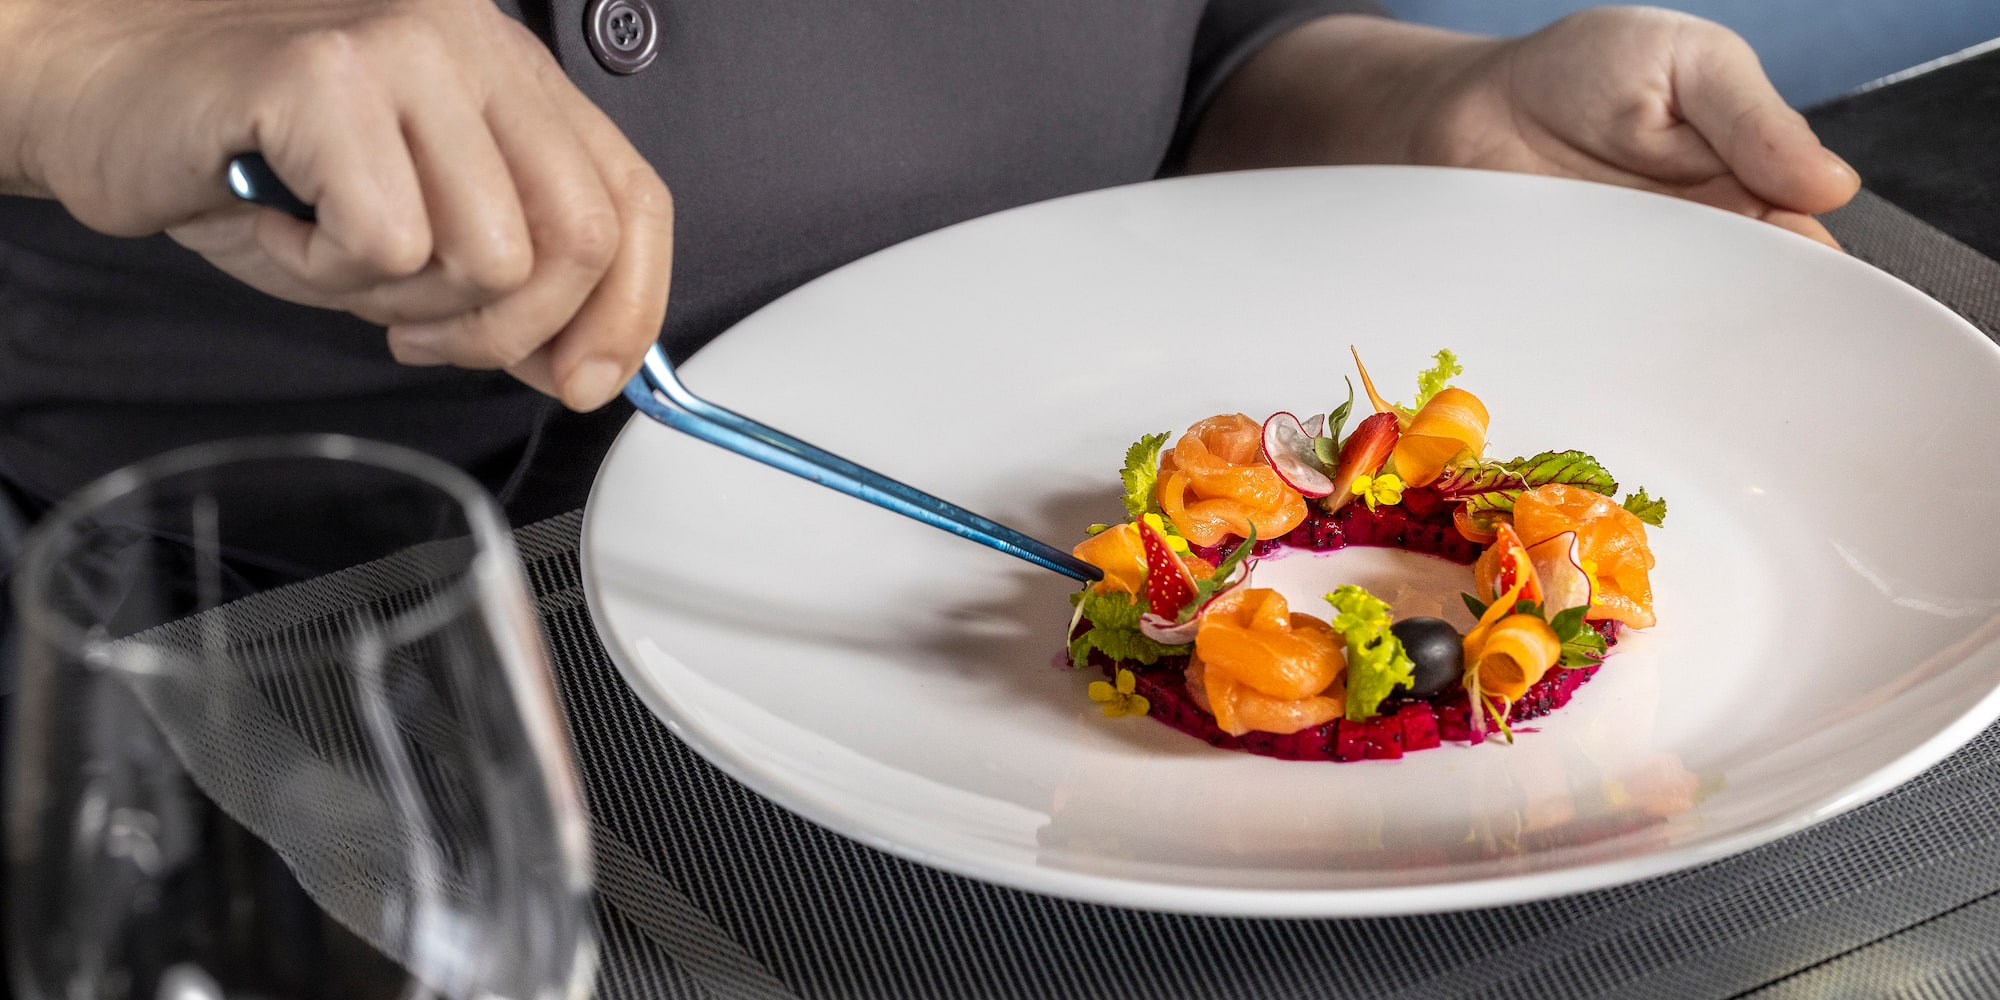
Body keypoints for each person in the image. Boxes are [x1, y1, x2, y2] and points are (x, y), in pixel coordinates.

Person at [0, 0, 1856, 555]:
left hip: (1032, 657)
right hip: (267, 683)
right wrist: (85, 58)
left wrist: (1412, 115)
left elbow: (1193, 40)